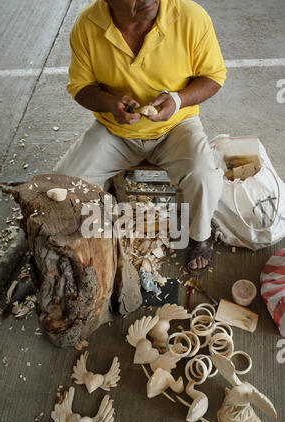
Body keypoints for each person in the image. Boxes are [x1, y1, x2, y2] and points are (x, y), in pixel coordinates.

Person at [54, 0, 227, 275]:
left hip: (176, 125)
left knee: (204, 176)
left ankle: (201, 236)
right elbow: (80, 87)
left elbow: (214, 77)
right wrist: (110, 103)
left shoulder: (190, 16)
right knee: (63, 186)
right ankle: (96, 219)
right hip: (116, 130)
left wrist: (178, 99)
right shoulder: (87, 25)